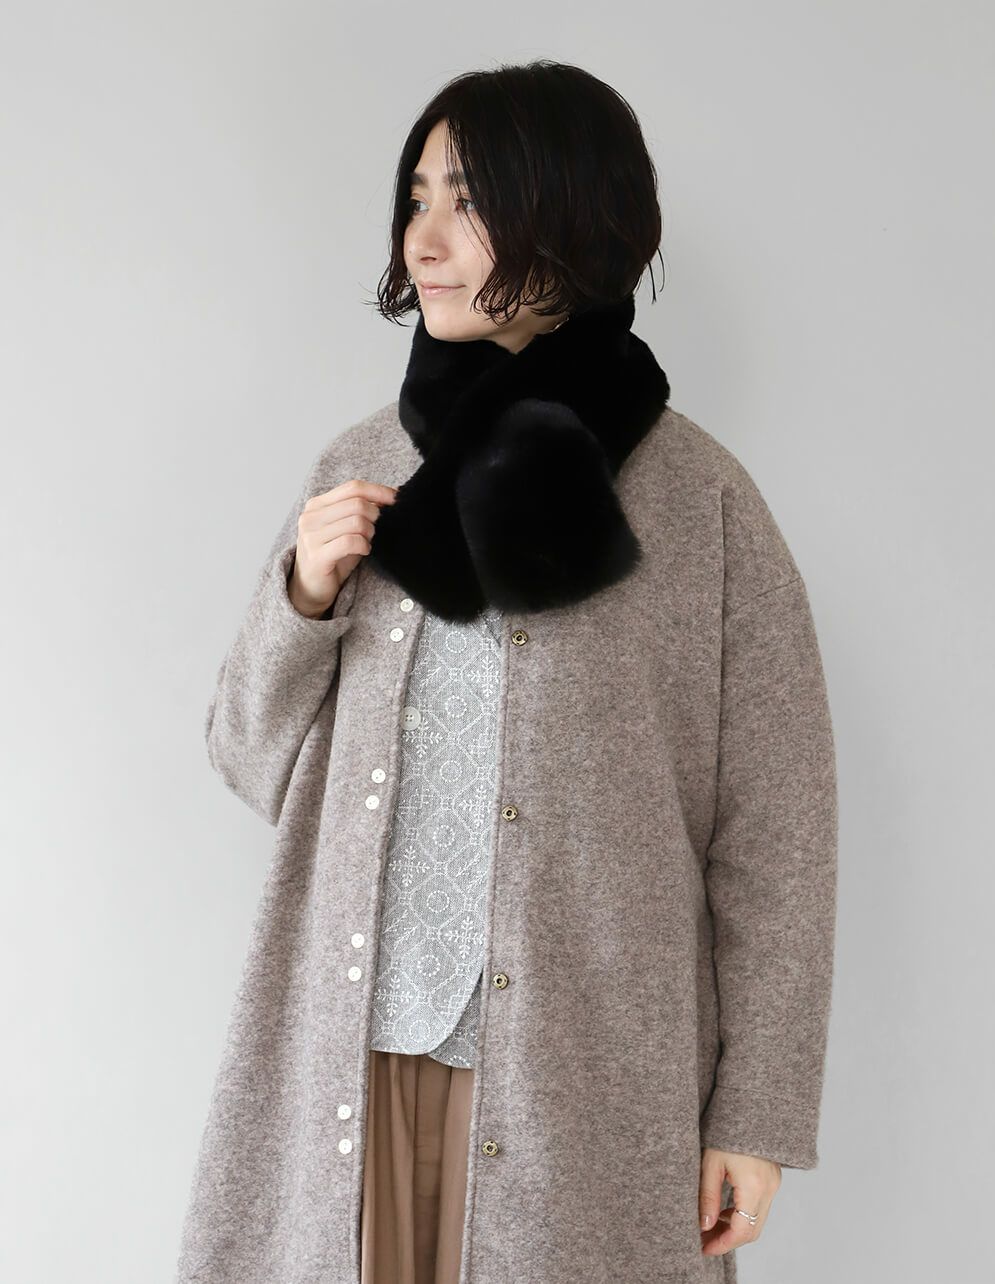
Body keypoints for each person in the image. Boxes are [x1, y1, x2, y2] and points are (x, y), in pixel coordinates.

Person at [174, 59, 838, 1284]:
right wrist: (301, 598)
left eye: (467, 201)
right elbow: (245, 756)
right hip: (356, 1063)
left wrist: (755, 1112)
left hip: (576, 1088)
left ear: (571, 213)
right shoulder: (364, 465)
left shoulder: (700, 505)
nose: (422, 240)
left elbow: (776, 831)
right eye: (415, 198)